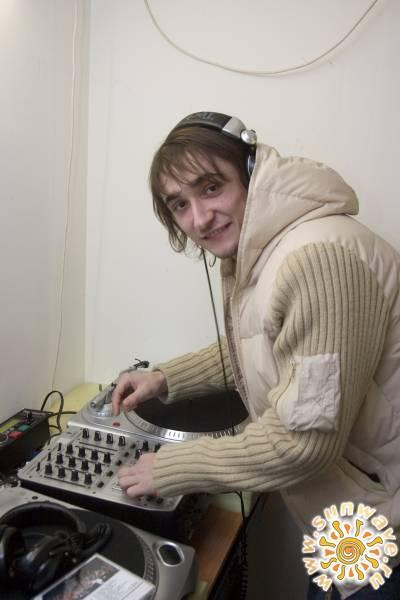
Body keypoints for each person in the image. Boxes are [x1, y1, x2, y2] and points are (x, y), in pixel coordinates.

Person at [112, 112, 400, 598]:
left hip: (381, 521)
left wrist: (170, 468)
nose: (199, 219)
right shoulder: (269, 251)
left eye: (210, 188)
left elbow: (303, 442)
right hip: (348, 512)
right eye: (180, 204)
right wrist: (165, 378)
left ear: (250, 172)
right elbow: (267, 342)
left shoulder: (316, 258)